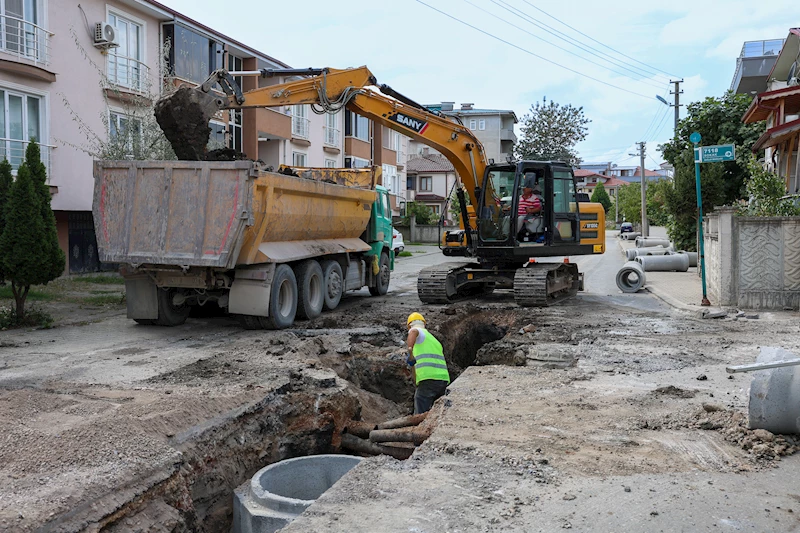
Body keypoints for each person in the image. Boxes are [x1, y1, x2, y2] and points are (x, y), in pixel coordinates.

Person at [405, 312, 450, 414]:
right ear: (424, 324)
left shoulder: (417, 331)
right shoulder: (434, 340)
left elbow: (413, 332)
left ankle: (418, 427)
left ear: (409, 325)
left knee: (420, 403)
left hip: (429, 378)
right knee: (437, 411)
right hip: (443, 380)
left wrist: (410, 349)